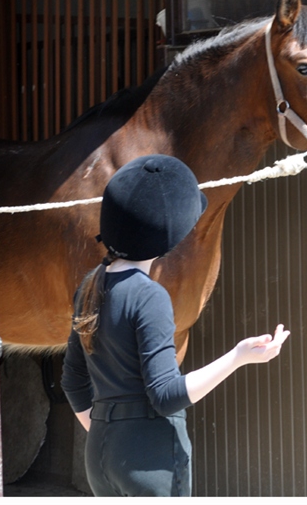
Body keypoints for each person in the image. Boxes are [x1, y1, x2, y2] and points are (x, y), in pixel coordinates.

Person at [61, 154, 290, 497]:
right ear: (166, 233)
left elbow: (72, 382)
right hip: (150, 460)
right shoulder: (149, 296)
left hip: (99, 458)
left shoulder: (90, 285)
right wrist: (239, 356)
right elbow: (166, 396)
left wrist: (108, 429)